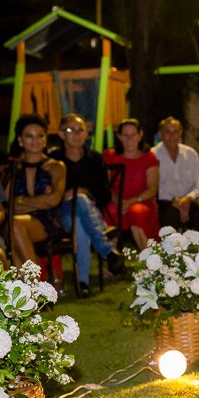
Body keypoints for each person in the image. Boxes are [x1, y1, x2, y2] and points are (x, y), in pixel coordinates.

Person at [49, 114, 124, 291]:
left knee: (80, 219)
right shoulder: (54, 160)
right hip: (62, 216)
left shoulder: (95, 159)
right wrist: (67, 194)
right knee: (78, 216)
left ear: (86, 134)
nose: (76, 134)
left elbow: (105, 194)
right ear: (61, 134)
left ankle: (83, 282)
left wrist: (86, 192)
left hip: (90, 212)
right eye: (70, 130)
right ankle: (107, 252)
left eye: (80, 130)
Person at [10, 114, 65, 272]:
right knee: (11, 229)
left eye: (40, 135)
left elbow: (54, 199)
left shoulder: (56, 167)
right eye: (29, 136)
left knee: (14, 224)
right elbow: (7, 205)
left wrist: (20, 200)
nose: (35, 140)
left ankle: (34, 278)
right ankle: (31, 286)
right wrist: (42, 201)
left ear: (46, 139)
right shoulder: (12, 168)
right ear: (20, 140)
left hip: (47, 222)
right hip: (16, 223)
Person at [152, 116, 199, 237]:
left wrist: (188, 198)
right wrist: (175, 201)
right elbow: (152, 187)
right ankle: (172, 252)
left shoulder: (190, 154)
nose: (172, 136)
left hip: (189, 199)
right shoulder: (153, 156)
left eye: (175, 132)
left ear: (180, 133)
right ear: (160, 134)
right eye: (167, 132)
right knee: (169, 214)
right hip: (166, 201)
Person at [103, 119, 159, 248]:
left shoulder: (148, 158)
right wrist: (118, 201)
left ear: (140, 136)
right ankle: (113, 262)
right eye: (125, 135)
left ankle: (148, 261)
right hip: (116, 201)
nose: (130, 138)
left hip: (142, 201)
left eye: (133, 134)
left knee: (136, 212)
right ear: (119, 137)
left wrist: (130, 202)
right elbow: (105, 185)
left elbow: (152, 189)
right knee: (110, 211)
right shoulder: (110, 156)